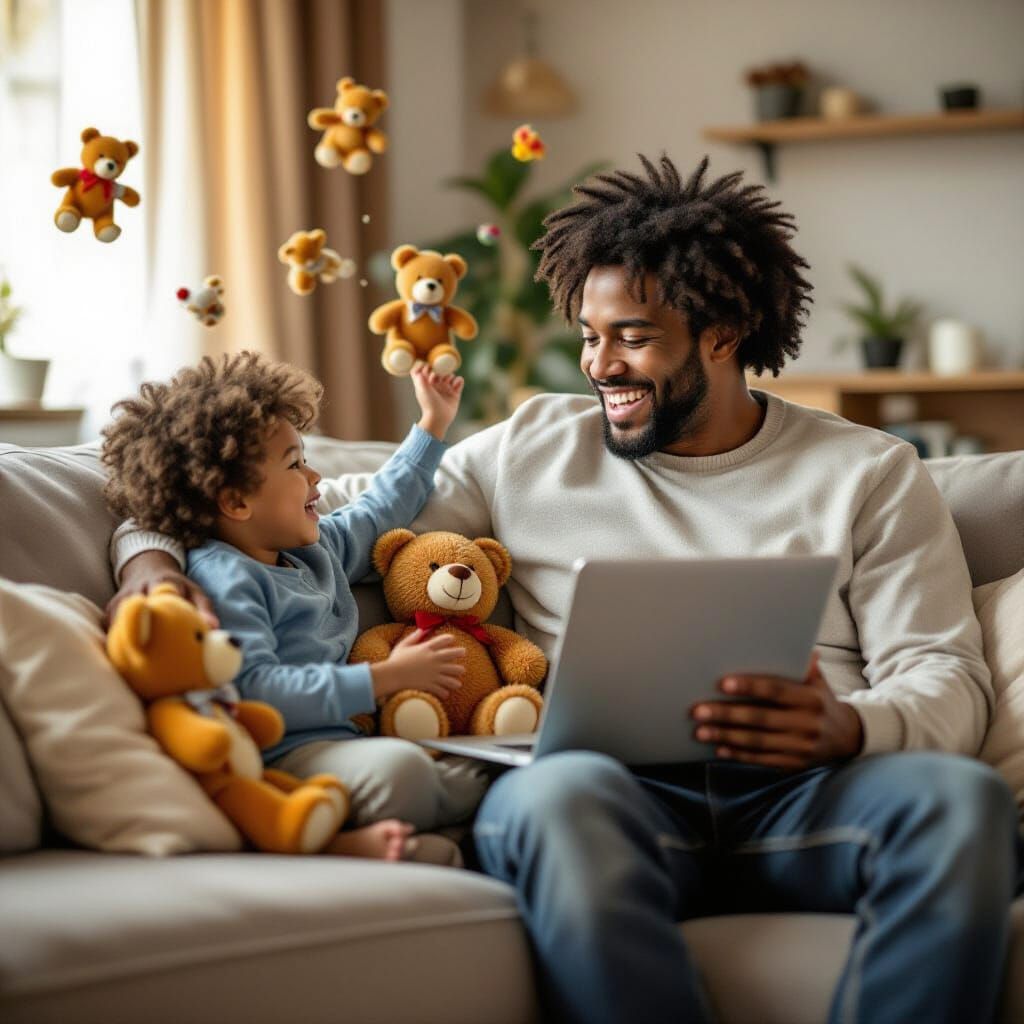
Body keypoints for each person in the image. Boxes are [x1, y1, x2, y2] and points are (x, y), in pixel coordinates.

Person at [107, 155, 1020, 1022]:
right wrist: (149, 558)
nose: (600, 365)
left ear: (724, 333)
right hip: (603, 799)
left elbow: (947, 677)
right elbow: (280, 511)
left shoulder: (869, 472)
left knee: (961, 803)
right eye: (589, 335)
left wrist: (852, 726)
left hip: (807, 796)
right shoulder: (532, 445)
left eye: (633, 338)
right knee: (550, 798)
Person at [102, 353, 487, 862]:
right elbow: (252, 687)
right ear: (236, 502)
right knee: (405, 772)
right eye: (294, 464)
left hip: (346, 743)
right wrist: (382, 680)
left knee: (487, 764)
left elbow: (379, 509)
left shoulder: (314, 549)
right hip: (286, 756)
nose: (315, 475)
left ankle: (433, 832)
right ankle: (396, 832)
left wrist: (432, 423)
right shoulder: (224, 576)